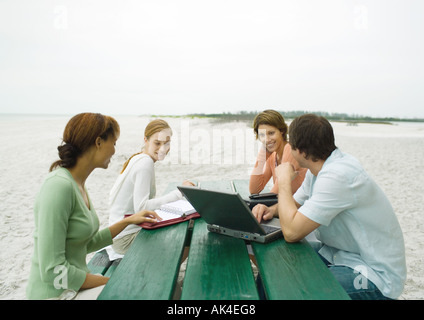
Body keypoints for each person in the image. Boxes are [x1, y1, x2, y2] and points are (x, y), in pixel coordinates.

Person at [252, 114, 407, 300]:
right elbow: (295, 202)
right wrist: (271, 210)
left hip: (373, 273)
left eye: (291, 144)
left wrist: (284, 182)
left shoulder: (338, 176)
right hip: (339, 254)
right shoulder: (318, 169)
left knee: (294, 288)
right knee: (272, 268)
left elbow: (292, 233)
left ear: (300, 150)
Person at [26, 113, 160, 300]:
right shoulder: (58, 187)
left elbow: (86, 243)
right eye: (113, 143)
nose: (114, 150)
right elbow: (51, 271)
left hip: (74, 288)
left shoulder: (78, 184)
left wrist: (128, 221)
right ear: (98, 142)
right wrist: (108, 281)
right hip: (56, 294)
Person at [108, 119, 194, 257]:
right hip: (125, 238)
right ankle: (163, 276)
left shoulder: (139, 158)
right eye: (157, 143)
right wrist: (179, 193)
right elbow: (142, 208)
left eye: (166, 143)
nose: (163, 149)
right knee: (187, 239)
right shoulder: (145, 163)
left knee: (185, 231)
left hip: (119, 234)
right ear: (145, 140)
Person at [249, 109, 307, 195]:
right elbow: (254, 189)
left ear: (282, 131)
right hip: (286, 205)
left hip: (301, 206)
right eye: (262, 135)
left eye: (271, 133)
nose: (267, 139)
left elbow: (276, 194)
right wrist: (262, 155)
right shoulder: (272, 156)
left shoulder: (291, 150)